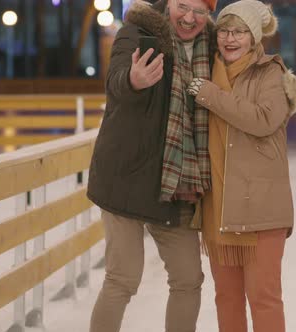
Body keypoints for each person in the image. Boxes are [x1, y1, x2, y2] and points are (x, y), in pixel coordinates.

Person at [86, 0, 217, 330]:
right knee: (123, 279)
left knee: (188, 278)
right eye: (182, 6)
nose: (189, 17)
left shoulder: (212, 47)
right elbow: (115, 81)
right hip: (127, 177)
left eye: (199, 11)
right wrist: (133, 79)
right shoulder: (137, 32)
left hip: (177, 185)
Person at [186, 1, 296, 331]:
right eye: (224, 30)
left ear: (253, 37)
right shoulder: (206, 69)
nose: (230, 38)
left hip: (262, 208)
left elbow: (263, 120)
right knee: (227, 297)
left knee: (263, 297)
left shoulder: (271, 73)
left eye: (239, 32)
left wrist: (208, 94)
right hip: (220, 206)